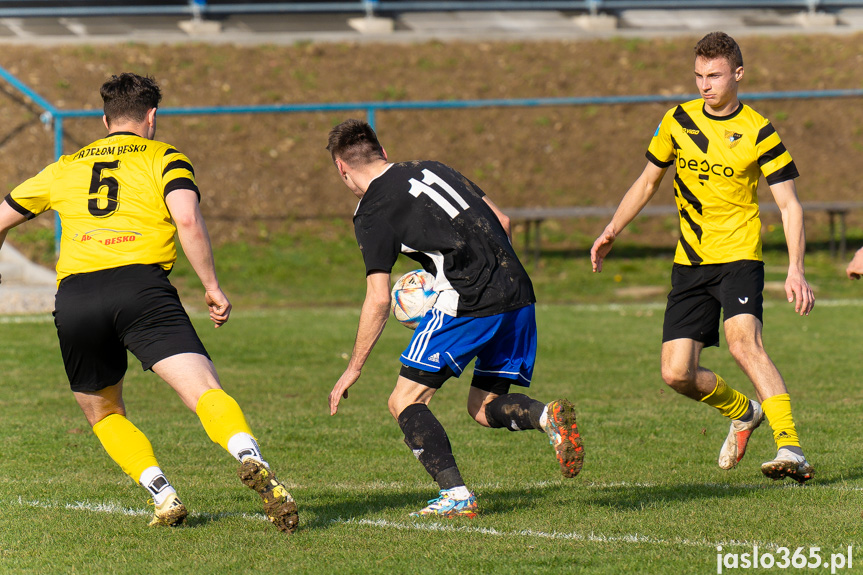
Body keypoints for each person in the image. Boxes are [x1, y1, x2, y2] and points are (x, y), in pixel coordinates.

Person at [0, 73, 298, 532]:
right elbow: (187, 219)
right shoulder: (167, 157)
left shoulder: (66, 166)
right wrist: (212, 286)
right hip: (141, 290)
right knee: (204, 393)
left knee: (102, 411)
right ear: (152, 116)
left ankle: (162, 492)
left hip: (77, 297)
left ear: (104, 119)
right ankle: (247, 454)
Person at [326, 119, 584, 517]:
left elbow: (378, 299)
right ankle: (546, 416)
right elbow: (503, 222)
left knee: (403, 400)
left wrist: (353, 368)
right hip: (517, 292)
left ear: (342, 169)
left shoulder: (372, 210)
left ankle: (457, 496)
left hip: (468, 301)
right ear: (384, 153)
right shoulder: (434, 167)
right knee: (483, 408)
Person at [590, 32, 815, 483]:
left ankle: (790, 447)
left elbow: (789, 206)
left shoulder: (759, 130)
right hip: (690, 262)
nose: (704, 85)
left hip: (739, 257)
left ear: (738, 74)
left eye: (714, 75)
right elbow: (647, 181)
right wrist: (613, 227)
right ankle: (744, 411)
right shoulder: (676, 120)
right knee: (676, 374)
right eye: (698, 75)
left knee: (742, 343)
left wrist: (796, 268)